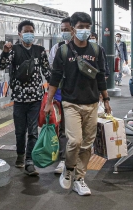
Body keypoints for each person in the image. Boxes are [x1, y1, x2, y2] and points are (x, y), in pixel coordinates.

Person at [45, 12, 112, 196]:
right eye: (81, 26)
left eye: (87, 27)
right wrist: (49, 102)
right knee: (75, 141)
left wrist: (106, 100)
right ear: (73, 28)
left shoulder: (97, 50)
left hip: (91, 103)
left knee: (86, 145)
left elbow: (100, 77)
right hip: (71, 102)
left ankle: (80, 179)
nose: (84, 30)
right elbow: (55, 78)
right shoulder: (63, 51)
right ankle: (68, 169)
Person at [0, 20, 51, 176]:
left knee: (33, 132)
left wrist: (55, 89)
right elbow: (1, 66)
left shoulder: (40, 50)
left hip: (36, 98)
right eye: (26, 32)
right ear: (20, 34)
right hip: (19, 99)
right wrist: (5, 52)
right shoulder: (14, 50)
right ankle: (20, 155)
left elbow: (47, 72)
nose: (30, 34)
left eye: (31, 31)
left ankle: (29, 161)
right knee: (20, 131)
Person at [48, 17, 72, 175]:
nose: (64, 32)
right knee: (63, 129)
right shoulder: (57, 48)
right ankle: (64, 159)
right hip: (61, 94)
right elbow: (53, 72)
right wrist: (49, 100)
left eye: (67, 29)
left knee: (78, 131)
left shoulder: (88, 49)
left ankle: (75, 157)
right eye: (62, 29)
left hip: (81, 96)